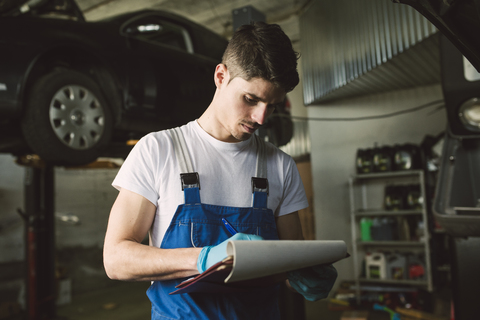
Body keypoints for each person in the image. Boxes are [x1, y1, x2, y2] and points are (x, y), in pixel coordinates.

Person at [103, 21, 337, 319]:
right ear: (221, 76)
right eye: (251, 99)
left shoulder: (280, 167)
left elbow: (289, 265)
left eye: (272, 105)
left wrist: (304, 276)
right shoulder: (158, 150)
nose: (261, 118)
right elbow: (116, 259)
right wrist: (204, 259)